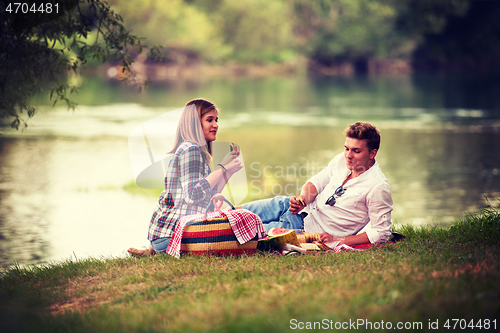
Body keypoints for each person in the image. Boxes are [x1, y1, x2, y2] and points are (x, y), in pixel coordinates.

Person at [241, 121, 393, 247]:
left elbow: (382, 232)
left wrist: (339, 240)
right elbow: (317, 181)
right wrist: (303, 199)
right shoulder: (342, 159)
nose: (348, 155)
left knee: (235, 232)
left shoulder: (378, 187)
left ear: (373, 153)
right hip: (287, 206)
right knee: (234, 214)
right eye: (346, 148)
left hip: (302, 231)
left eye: (356, 151)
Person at [128, 99, 243, 256]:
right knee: (248, 218)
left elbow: (207, 196)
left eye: (216, 120)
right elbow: (192, 194)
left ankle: (153, 251)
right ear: (195, 123)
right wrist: (222, 168)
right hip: (174, 235)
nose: (215, 125)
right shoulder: (191, 150)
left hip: (165, 236)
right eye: (209, 120)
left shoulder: (196, 152)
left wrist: (228, 171)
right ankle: (157, 250)